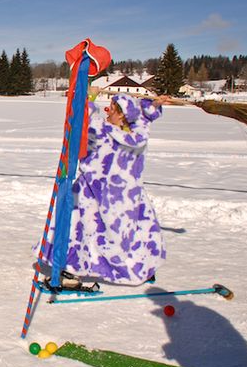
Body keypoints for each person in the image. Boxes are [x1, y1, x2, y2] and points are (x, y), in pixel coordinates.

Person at [43, 91, 172, 290]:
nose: (107, 112)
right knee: (132, 234)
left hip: (94, 194)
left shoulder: (103, 131)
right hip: (128, 200)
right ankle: (141, 268)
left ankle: (70, 271)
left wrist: (89, 98)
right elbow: (145, 118)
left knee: (78, 230)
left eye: (111, 108)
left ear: (121, 115)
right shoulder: (139, 136)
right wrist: (152, 104)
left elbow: (80, 120)